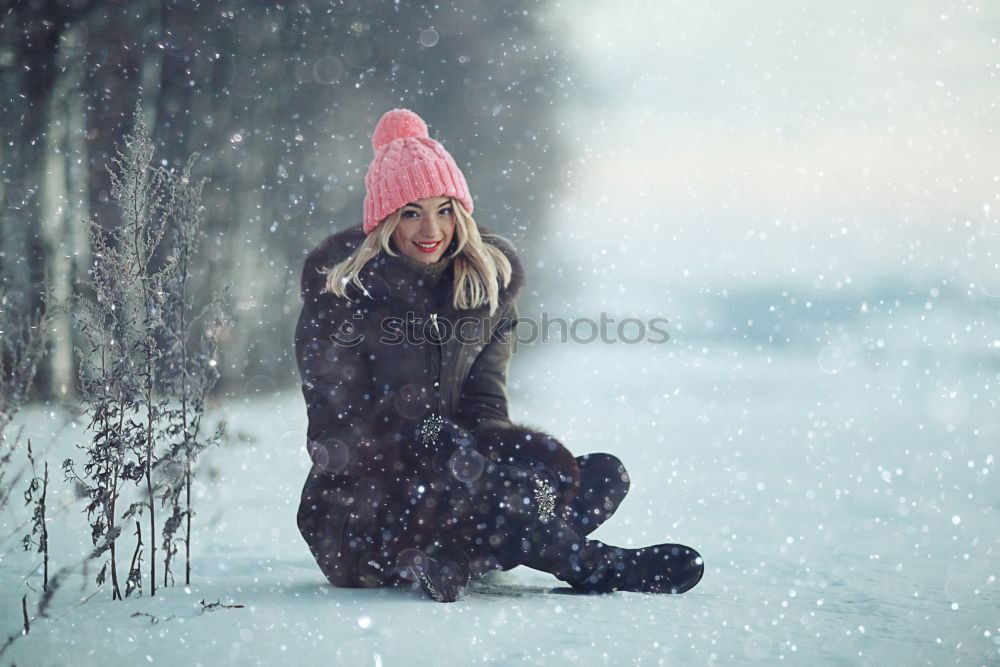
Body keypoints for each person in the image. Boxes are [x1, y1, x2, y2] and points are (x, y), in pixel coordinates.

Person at [294, 108, 703, 602]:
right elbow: (332, 433)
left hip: (464, 498)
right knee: (496, 489)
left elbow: (485, 406)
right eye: (411, 212)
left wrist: (506, 462)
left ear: (461, 212)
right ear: (384, 220)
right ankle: (592, 565)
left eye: (444, 209)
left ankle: (458, 559)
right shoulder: (341, 302)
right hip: (362, 520)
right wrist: (427, 443)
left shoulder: (483, 292)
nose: (432, 228)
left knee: (597, 475)